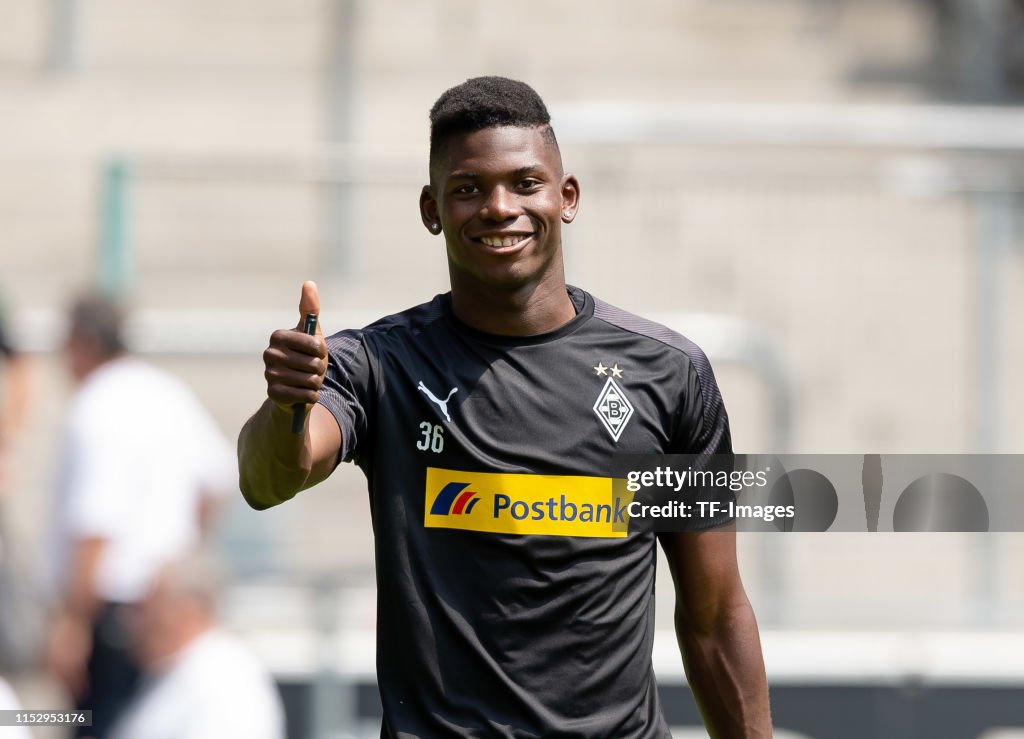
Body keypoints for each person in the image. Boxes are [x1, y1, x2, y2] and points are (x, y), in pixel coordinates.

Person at [238, 76, 771, 737]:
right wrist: (288, 405)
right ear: (433, 209)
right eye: (468, 189)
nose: (498, 206)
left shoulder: (671, 373)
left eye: (524, 182)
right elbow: (268, 479)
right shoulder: (380, 363)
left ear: (566, 196)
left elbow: (715, 612)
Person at [47, 296, 236, 738]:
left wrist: (72, 624)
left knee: (93, 723)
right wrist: (182, 553)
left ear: (82, 342)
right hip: (165, 599)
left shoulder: (95, 405)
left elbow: (95, 524)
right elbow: (219, 479)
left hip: (109, 608)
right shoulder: (165, 391)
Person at [109, 552, 285, 739]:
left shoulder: (224, 679)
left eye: (144, 609)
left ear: (186, 613)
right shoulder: (176, 668)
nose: (128, 621)